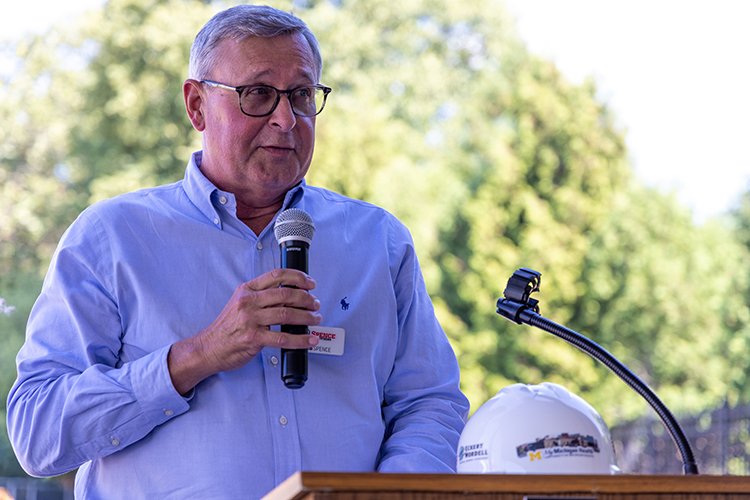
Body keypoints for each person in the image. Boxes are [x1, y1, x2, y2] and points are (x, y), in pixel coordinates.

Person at [6, 4, 469, 498]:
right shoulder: (110, 239)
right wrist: (197, 356)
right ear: (197, 105)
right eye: (258, 95)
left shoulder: (379, 241)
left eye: (302, 95)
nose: (286, 119)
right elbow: (38, 434)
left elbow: (430, 403)